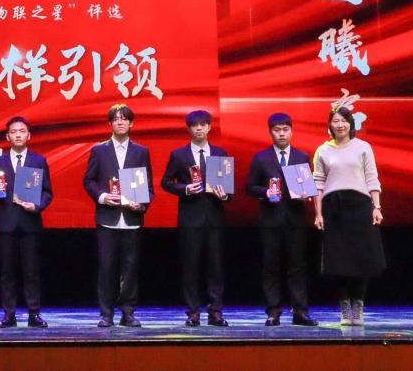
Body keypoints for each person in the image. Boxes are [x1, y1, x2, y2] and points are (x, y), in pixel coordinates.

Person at [83, 103, 154, 328]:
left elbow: (148, 187)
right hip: (107, 219)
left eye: (124, 118)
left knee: (130, 269)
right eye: (116, 119)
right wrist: (103, 197)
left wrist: (142, 204)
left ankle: (128, 313)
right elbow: (89, 181)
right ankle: (106, 314)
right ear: (110, 124)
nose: (120, 122)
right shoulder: (99, 150)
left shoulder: (141, 151)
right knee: (106, 269)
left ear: (131, 123)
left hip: (132, 220)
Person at [244, 113, 318, 326]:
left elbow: (309, 186)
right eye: (277, 130)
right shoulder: (261, 158)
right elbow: (250, 187)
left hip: (295, 219)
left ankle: (300, 312)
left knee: (297, 266)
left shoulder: (302, 156)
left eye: (285, 129)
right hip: (270, 220)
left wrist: (306, 193)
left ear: (292, 131)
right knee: (271, 266)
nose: (282, 134)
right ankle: (273, 311)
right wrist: (265, 192)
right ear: (270, 132)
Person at [313, 106, 385, 326]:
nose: (340, 125)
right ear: (330, 125)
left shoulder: (363, 147)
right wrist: (318, 213)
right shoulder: (323, 150)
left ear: (351, 124)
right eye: (336, 121)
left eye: (344, 121)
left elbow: (371, 177)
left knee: (361, 258)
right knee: (338, 261)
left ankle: (358, 306)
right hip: (334, 209)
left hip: (360, 207)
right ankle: (344, 306)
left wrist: (376, 207)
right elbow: (318, 184)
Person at [160, 109, 232, 327]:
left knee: (215, 266)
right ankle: (193, 312)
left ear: (209, 127)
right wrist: (185, 189)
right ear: (189, 129)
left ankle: (215, 311)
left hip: (214, 218)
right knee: (190, 267)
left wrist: (225, 195)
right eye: (194, 125)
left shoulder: (220, 153)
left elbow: (229, 189)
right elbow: (166, 182)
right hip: (190, 219)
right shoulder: (179, 155)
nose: (199, 128)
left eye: (203, 124)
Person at [0, 116, 53, 329]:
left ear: (29, 135)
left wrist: (37, 206)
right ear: (7, 137)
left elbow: (47, 192)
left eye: (22, 131)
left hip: (30, 223)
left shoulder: (38, 160)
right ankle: (9, 315)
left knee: (31, 271)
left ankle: (34, 313)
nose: (18, 135)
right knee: (7, 273)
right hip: (6, 223)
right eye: (14, 131)